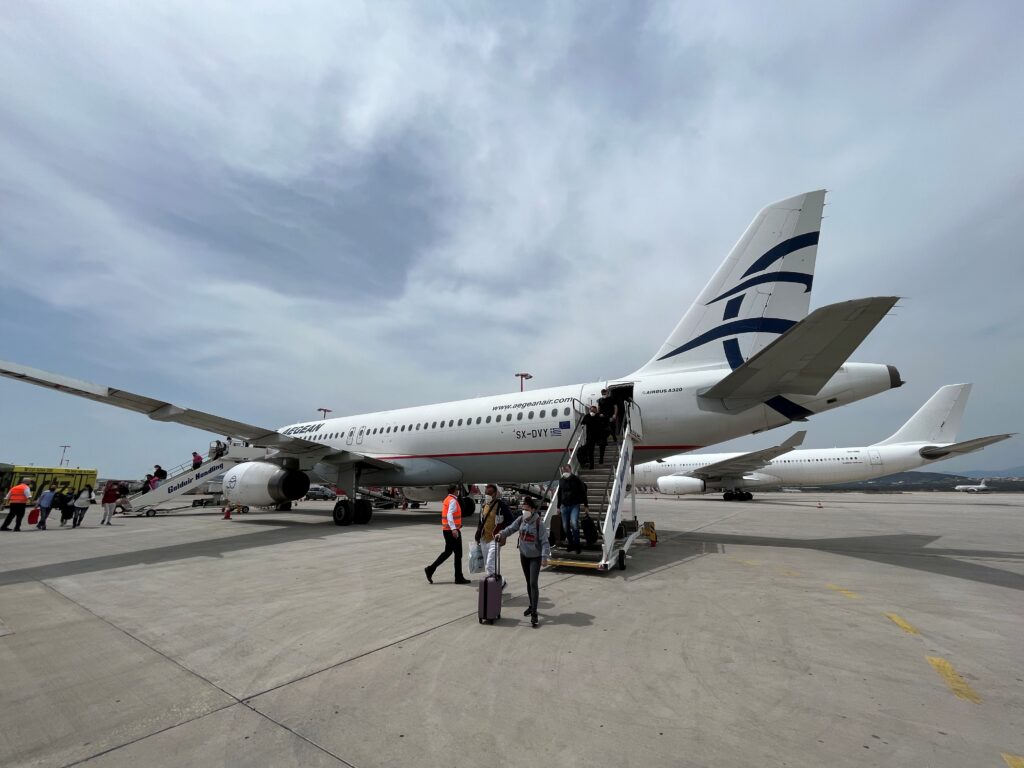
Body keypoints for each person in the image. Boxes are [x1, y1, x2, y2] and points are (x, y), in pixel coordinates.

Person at [495, 497, 550, 627]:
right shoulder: (521, 520)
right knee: (528, 582)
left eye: (526, 509)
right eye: (523, 509)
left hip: (535, 557)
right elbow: (510, 529)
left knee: (533, 583)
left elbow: (545, 542)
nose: (524, 511)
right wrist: (501, 534)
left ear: (532, 509)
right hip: (524, 555)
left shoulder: (538, 523)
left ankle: (534, 613)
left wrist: (544, 557)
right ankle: (531, 605)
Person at [424, 484, 471, 585]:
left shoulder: (447, 499)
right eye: (457, 490)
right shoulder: (453, 500)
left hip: (447, 530)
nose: (458, 491)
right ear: (455, 491)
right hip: (452, 531)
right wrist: (454, 529)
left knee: (448, 552)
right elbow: (449, 514)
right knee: (458, 554)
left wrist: (457, 525)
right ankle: (458, 577)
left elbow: (450, 515)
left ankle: (430, 569)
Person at [475, 484, 512, 584]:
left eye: (490, 493)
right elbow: (481, 521)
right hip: (484, 539)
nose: (487, 495)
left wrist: (503, 533)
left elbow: (511, 520)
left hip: (495, 539)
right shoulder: (484, 505)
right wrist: (478, 535)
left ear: (495, 494)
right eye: (486, 493)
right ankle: (493, 586)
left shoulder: (501, 505)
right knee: (489, 564)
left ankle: (502, 583)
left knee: (489, 564)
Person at [557, 464, 587, 554]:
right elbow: (559, 493)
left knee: (574, 524)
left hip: (574, 505)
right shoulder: (561, 480)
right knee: (565, 527)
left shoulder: (576, 479)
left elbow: (583, 491)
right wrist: (558, 506)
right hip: (564, 506)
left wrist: (586, 505)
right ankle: (570, 544)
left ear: (570, 469)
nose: (565, 471)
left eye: (566, 469)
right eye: (563, 470)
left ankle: (577, 545)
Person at [581, 404, 610, 469]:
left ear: (596, 411)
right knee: (590, 451)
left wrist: (603, 417)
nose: (592, 412)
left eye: (594, 411)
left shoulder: (599, 416)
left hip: (599, 435)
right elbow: (583, 422)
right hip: (590, 436)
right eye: (591, 410)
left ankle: (601, 458)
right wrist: (582, 425)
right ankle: (592, 465)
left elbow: (607, 420)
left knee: (602, 446)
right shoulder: (587, 416)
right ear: (589, 410)